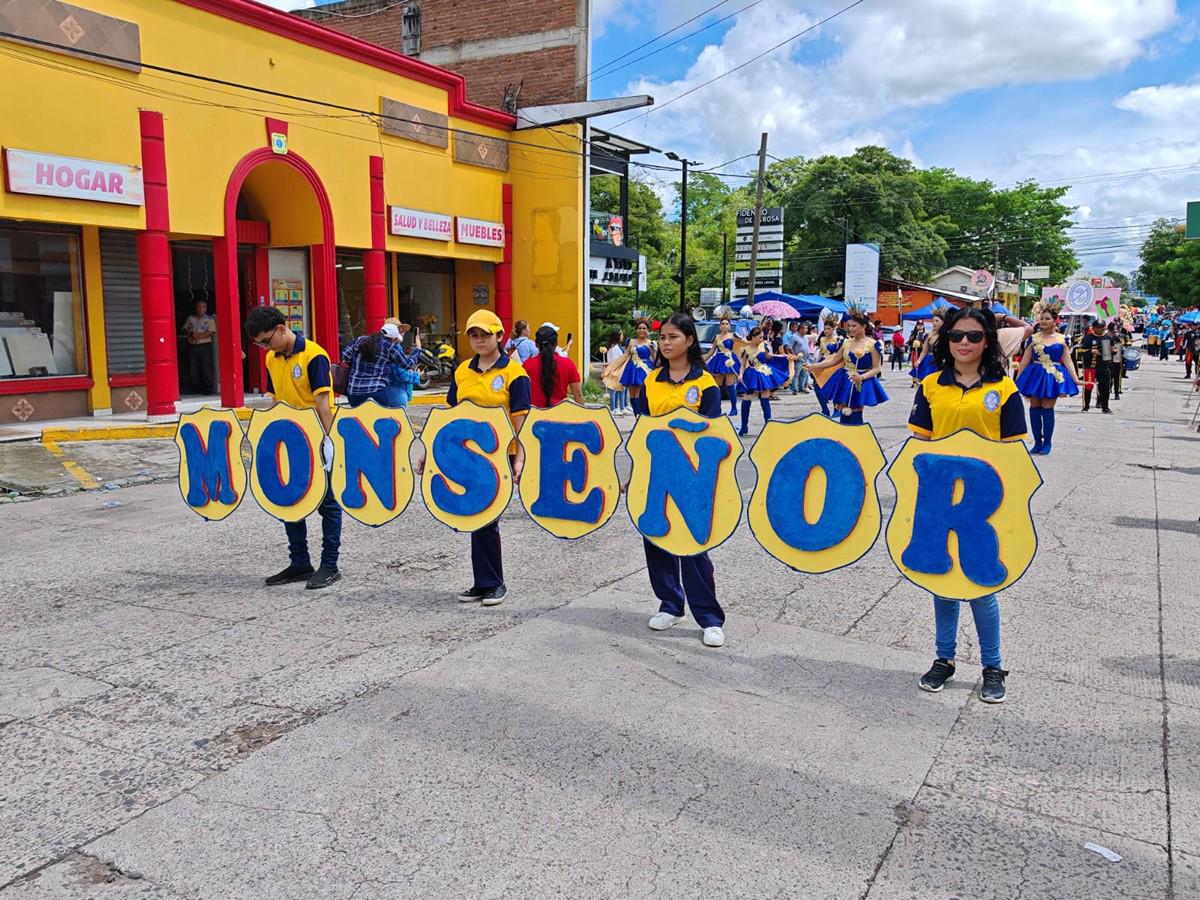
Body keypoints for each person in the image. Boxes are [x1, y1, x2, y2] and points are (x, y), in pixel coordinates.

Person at [908, 307, 1027, 704]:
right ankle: (945, 658)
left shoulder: (1005, 390)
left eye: (974, 336)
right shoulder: (929, 385)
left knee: (981, 587)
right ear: (947, 339)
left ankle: (993, 666)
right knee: (942, 584)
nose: (964, 343)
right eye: (957, 335)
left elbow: (1014, 452)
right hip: (939, 499)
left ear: (988, 341)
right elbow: (919, 444)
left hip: (983, 503)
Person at [637, 313, 727, 648]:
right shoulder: (651, 380)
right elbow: (642, 428)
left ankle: (709, 617)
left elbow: (715, 433)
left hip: (693, 474)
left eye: (673, 336)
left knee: (693, 543)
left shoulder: (704, 384)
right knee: (656, 536)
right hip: (656, 469)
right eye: (662, 338)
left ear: (689, 340)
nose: (666, 343)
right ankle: (670, 604)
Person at [244, 305, 342, 590]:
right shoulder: (273, 360)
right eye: (258, 344)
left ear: (282, 329)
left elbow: (324, 404)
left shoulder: (314, 356)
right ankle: (299, 562)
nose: (263, 348)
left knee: (328, 504)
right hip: (289, 441)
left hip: (317, 439)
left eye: (265, 341)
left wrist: (328, 442)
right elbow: (275, 401)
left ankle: (329, 565)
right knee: (290, 501)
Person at [438, 309, 531, 607]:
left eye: (485, 335)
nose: (479, 340)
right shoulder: (462, 371)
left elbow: (521, 419)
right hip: (466, 455)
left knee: (488, 518)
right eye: (474, 335)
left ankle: (494, 583)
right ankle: (482, 582)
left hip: (501, 456)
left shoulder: (514, 373)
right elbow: (450, 414)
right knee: (476, 517)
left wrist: (519, 457)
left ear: (500, 336)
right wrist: (432, 452)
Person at [1013, 303, 1079, 453]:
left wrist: (1076, 379)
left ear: (1055, 320)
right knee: (1034, 407)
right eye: (1041, 319)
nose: (1043, 321)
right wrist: (1017, 380)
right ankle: (1037, 442)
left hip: (1052, 376)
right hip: (1035, 375)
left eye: (1047, 319)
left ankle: (1047, 443)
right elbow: (1025, 360)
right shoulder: (1033, 338)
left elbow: (1068, 360)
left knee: (1047, 408)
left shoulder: (1063, 339)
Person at [806, 308, 888, 426]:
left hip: (860, 381)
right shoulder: (846, 343)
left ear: (863, 326)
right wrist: (813, 366)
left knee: (855, 413)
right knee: (843, 412)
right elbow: (834, 360)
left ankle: (856, 438)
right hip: (844, 379)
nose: (850, 329)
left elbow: (876, 368)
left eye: (854, 326)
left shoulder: (873, 344)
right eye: (849, 326)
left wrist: (862, 377)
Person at [340, 323, 420, 407]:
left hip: (353, 394)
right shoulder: (390, 347)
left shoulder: (360, 340)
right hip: (376, 393)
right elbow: (407, 364)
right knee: (384, 413)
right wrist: (417, 350)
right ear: (394, 338)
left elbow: (345, 356)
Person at [736, 325, 790, 436]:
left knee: (765, 397)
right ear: (754, 337)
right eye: (760, 337)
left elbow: (768, 356)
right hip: (751, 374)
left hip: (764, 373)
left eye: (762, 337)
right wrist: (740, 375)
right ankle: (744, 426)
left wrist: (781, 356)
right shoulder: (746, 349)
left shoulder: (764, 345)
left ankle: (768, 424)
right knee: (747, 398)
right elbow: (742, 364)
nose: (761, 339)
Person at [524, 324, 583, 407]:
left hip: (534, 414)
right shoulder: (568, 364)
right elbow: (578, 393)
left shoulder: (527, 365)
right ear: (556, 344)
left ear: (536, 345)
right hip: (560, 414)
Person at [703, 317, 742, 416]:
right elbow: (712, 351)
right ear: (720, 326)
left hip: (729, 360)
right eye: (723, 324)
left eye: (726, 324)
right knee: (717, 387)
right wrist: (703, 361)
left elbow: (744, 342)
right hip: (719, 360)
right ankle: (717, 408)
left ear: (729, 326)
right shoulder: (717, 337)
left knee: (730, 386)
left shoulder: (733, 336)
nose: (724, 325)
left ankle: (734, 408)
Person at [616, 319, 656, 414]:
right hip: (632, 369)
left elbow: (654, 358)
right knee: (632, 396)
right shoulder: (631, 341)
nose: (641, 330)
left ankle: (640, 417)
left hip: (644, 370)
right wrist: (614, 366)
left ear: (647, 330)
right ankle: (636, 417)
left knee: (640, 395)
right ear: (636, 330)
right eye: (639, 328)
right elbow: (625, 356)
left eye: (644, 328)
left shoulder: (651, 343)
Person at [1077, 318, 1116, 415]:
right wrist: (1090, 351)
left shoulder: (1108, 338)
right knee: (1088, 386)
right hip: (1090, 366)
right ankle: (1086, 406)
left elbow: (1112, 350)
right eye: (1097, 328)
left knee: (1105, 387)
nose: (1099, 329)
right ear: (1093, 328)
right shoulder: (1088, 338)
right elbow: (1080, 351)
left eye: (1101, 328)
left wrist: (1113, 351)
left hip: (1103, 366)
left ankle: (1105, 407)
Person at [812, 313, 844, 418]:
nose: (826, 331)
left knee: (835, 386)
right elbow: (820, 352)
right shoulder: (821, 339)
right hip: (823, 362)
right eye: (825, 329)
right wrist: (816, 364)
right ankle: (824, 409)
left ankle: (836, 409)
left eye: (828, 329)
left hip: (834, 364)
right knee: (817, 386)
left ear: (834, 328)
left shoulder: (838, 339)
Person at [182, 300, 217, 394]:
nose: (201, 309)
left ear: (206, 309)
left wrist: (199, 336)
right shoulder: (191, 318)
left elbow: (211, 332)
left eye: (203, 307)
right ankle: (195, 388)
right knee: (193, 368)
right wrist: (191, 334)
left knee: (206, 368)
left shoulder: (209, 319)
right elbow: (185, 328)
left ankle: (208, 389)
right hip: (193, 346)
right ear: (196, 308)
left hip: (205, 346)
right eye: (199, 307)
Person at [910, 305, 948, 386]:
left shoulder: (947, 335)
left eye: (937, 321)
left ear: (943, 322)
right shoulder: (929, 335)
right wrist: (919, 360)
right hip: (929, 361)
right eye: (933, 321)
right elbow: (924, 351)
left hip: (942, 361)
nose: (934, 323)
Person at [605, 329, 629, 416]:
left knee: (618, 389)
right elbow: (615, 361)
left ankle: (619, 407)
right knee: (613, 390)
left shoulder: (616, 347)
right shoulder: (614, 348)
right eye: (621, 335)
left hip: (617, 370)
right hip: (615, 371)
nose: (622, 337)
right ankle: (613, 408)